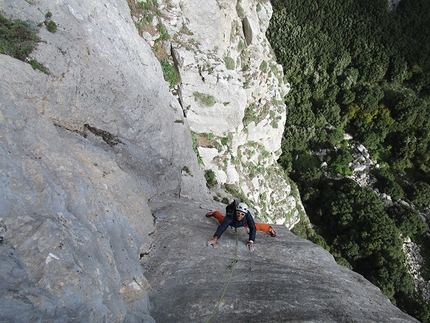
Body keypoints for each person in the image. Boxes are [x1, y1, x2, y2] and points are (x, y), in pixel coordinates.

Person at [206, 199, 276, 252]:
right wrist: (214, 239)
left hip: (243, 223)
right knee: (221, 220)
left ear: (245, 214)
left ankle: (269, 229)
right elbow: (223, 227)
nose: (240, 215)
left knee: (256, 226)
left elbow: (252, 227)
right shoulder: (230, 217)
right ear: (236, 212)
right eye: (238, 213)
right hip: (232, 221)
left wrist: (251, 241)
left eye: (242, 214)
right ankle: (214, 213)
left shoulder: (247, 214)